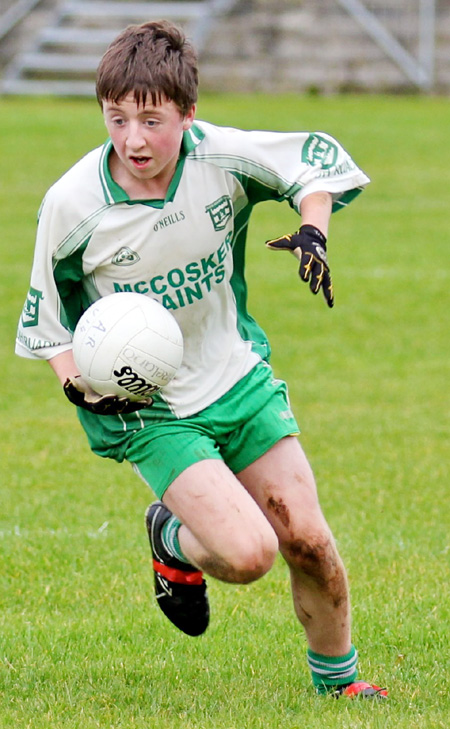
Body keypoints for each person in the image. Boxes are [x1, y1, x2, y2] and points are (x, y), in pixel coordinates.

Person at [16, 19, 387, 699]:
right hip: (150, 407)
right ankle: (172, 541)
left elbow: (318, 161)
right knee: (249, 554)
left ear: (188, 114)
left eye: (152, 120)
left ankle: (341, 688)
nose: (133, 140)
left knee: (306, 537)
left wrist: (314, 228)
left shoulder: (220, 156)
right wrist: (78, 387)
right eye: (117, 118)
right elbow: (45, 322)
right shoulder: (72, 204)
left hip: (236, 375)